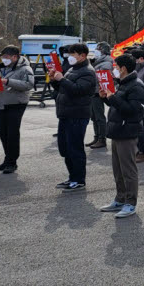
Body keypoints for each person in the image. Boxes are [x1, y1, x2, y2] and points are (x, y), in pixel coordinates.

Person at [98, 54, 144, 218]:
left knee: (128, 170)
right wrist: (106, 98)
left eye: (115, 67)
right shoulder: (122, 83)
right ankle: (120, 198)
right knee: (118, 169)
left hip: (127, 132)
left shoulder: (136, 86)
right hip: (117, 130)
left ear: (123, 68)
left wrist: (113, 97)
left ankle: (130, 203)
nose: (114, 70)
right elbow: (117, 105)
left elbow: (131, 109)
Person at [51, 43, 98, 191]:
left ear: (82, 56)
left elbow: (78, 90)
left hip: (77, 114)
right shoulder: (72, 69)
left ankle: (79, 179)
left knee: (75, 148)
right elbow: (63, 88)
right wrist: (54, 80)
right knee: (65, 148)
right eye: (69, 54)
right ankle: (72, 177)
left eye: (73, 54)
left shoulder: (88, 71)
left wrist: (62, 79)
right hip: (65, 113)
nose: (70, 57)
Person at [0, 45, 34, 173]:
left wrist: (8, 81)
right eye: (2, 57)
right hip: (2, 102)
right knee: (3, 133)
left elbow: (29, 84)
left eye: (6, 57)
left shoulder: (25, 69)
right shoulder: (2, 68)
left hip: (16, 103)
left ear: (15, 57)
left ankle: (12, 161)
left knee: (12, 133)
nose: (4, 59)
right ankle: (7, 159)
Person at [87, 42, 112, 150]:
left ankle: (102, 139)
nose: (96, 51)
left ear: (103, 51)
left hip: (99, 92)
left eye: (98, 49)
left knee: (99, 117)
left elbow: (103, 77)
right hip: (94, 92)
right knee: (93, 116)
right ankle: (97, 137)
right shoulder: (97, 62)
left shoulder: (106, 63)